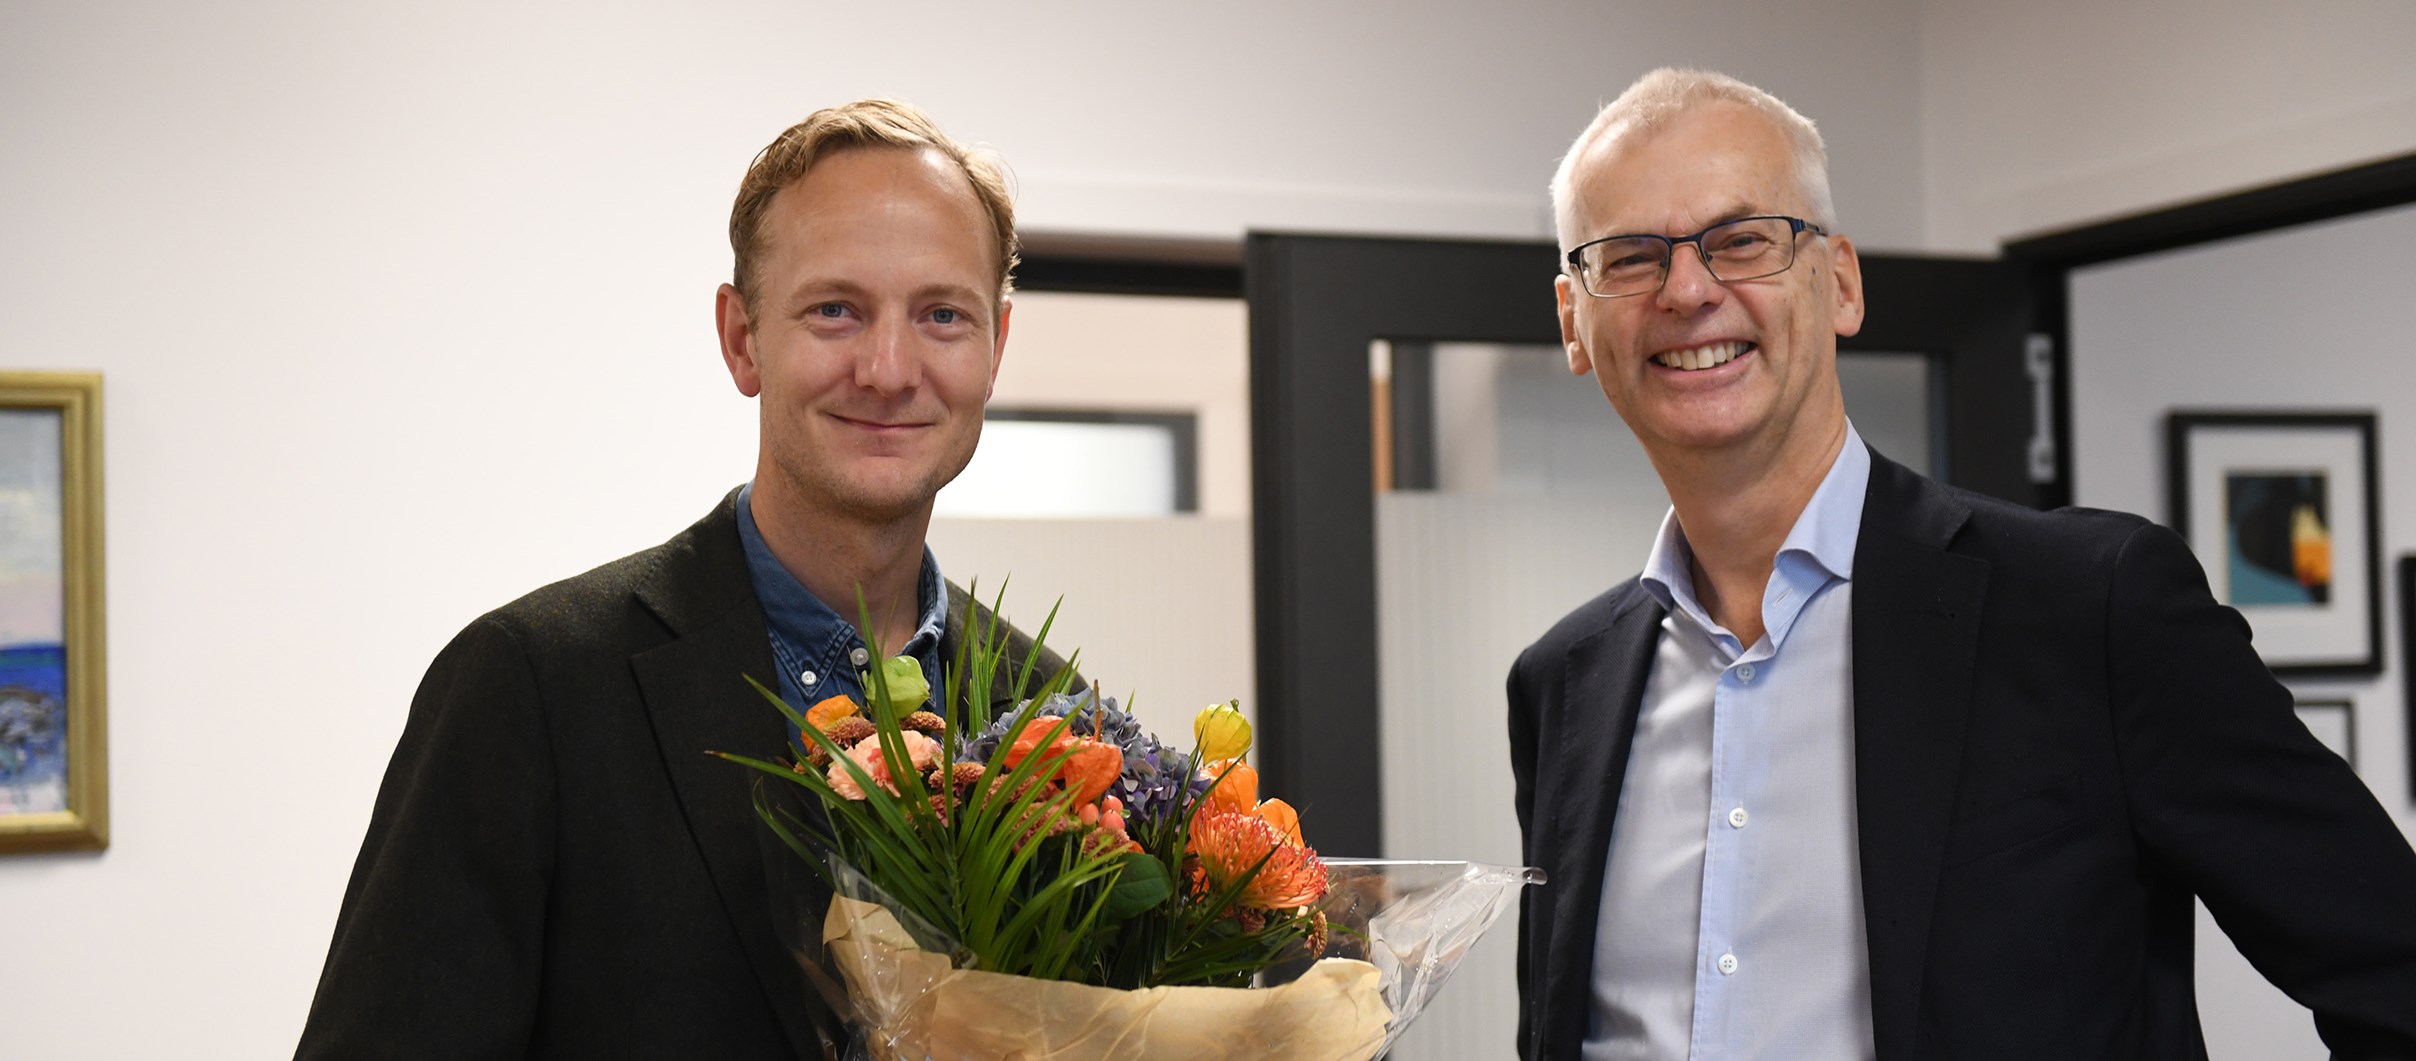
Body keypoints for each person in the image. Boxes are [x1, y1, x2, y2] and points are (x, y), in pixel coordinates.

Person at [1507, 68, 2416, 1060]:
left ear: (1840, 281)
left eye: (1741, 240)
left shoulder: (2090, 606)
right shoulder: (1562, 683)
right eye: (1630, 258)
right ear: (1572, 322)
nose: (1688, 290)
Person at [297, 99, 1069, 1060]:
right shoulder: (530, 687)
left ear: (995, 345)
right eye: (836, 309)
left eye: (940, 315)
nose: (887, 366)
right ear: (742, 338)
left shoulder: (1055, 718)